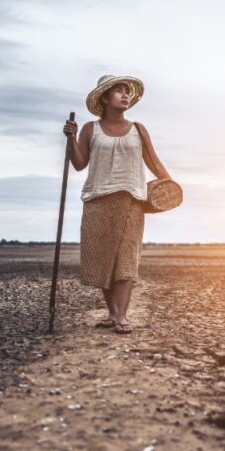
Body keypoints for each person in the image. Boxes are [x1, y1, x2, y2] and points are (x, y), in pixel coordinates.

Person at [62, 74, 172, 334]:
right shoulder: (90, 128)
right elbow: (79, 164)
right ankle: (112, 313)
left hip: (131, 200)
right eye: (119, 91)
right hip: (97, 199)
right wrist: (70, 138)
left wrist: (169, 183)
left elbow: (153, 161)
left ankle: (122, 316)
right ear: (105, 98)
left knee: (125, 260)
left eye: (127, 92)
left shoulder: (138, 129)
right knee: (103, 259)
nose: (125, 95)